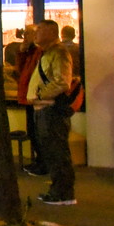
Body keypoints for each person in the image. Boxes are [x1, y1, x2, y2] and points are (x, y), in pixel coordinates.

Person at [26, 20, 76, 205]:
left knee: (57, 152)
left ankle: (63, 192)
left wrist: (40, 94)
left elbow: (62, 82)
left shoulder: (59, 52)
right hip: (43, 108)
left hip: (51, 109)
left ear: (51, 31)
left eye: (39, 30)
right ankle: (58, 190)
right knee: (51, 152)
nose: (35, 33)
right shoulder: (46, 53)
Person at [16, 24, 47, 176]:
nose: (25, 37)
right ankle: (39, 161)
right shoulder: (30, 52)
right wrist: (22, 52)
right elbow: (21, 71)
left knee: (39, 132)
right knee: (33, 131)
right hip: (28, 96)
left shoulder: (41, 52)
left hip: (36, 97)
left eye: (28, 33)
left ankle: (43, 162)